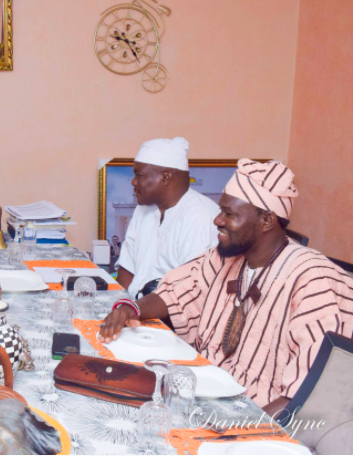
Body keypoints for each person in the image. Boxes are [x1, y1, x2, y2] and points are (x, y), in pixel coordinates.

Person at [100, 159, 353, 412]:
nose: (217, 220)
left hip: (257, 416)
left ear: (267, 221)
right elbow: (176, 292)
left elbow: (308, 395)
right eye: (220, 211)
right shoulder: (226, 256)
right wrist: (130, 309)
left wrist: (243, 432)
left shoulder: (313, 281)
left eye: (229, 214)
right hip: (205, 395)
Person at [115, 137, 219, 298]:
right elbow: (127, 269)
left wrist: (134, 311)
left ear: (165, 178)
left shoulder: (201, 216)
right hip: (134, 312)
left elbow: (191, 294)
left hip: (173, 320)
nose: (134, 182)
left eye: (139, 175)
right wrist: (120, 304)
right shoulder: (142, 210)